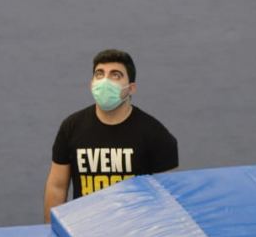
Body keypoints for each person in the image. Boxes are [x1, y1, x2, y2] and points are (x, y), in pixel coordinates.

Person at [44, 49, 178, 222]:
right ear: (91, 83)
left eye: (115, 75)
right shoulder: (71, 127)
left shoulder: (155, 134)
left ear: (131, 88)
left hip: (136, 233)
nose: (105, 81)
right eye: (99, 74)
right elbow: (57, 186)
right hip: (84, 231)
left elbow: (168, 196)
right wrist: (50, 233)